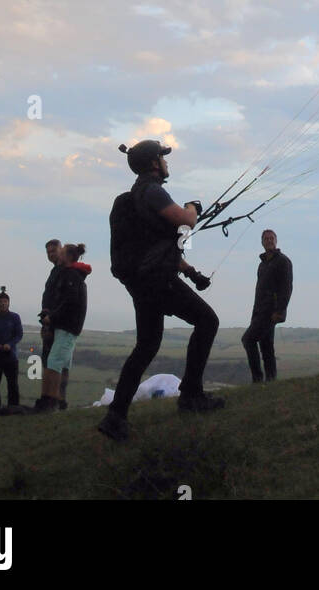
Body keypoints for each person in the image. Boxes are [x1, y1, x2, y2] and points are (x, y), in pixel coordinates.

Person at [98, 140, 222, 441]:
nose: (166, 162)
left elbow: (157, 245)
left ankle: (115, 417)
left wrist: (191, 273)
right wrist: (193, 207)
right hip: (157, 281)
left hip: (143, 283)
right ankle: (191, 396)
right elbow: (186, 221)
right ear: (154, 163)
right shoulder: (152, 191)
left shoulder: (135, 197)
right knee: (207, 322)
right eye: (162, 157)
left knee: (146, 345)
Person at [36, 244, 90, 413]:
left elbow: (68, 302)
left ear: (66, 256)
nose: (56, 255)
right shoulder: (67, 274)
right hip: (64, 324)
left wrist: (51, 317)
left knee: (53, 362)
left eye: (60, 251)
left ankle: (50, 400)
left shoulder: (71, 276)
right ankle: (56, 400)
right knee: (61, 363)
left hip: (66, 326)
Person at [242, 229, 293, 382]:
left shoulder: (283, 261)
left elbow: (287, 287)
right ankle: (271, 379)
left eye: (271, 238)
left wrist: (280, 310)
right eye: (266, 238)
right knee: (266, 345)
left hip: (271, 311)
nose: (269, 241)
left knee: (248, 340)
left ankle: (257, 378)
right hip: (259, 310)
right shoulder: (262, 264)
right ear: (262, 242)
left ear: (276, 241)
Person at [39, 239, 69, 409]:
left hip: (58, 325)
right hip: (49, 323)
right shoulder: (55, 271)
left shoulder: (65, 272)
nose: (51, 255)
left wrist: (51, 323)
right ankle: (51, 399)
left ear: (61, 250)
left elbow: (62, 302)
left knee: (56, 364)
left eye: (53, 251)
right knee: (50, 362)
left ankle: (56, 400)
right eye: (48, 252)